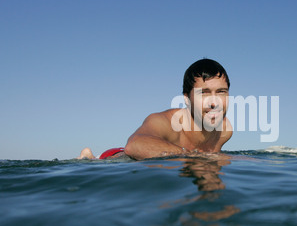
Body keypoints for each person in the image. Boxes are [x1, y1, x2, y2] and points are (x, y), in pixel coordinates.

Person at [77, 58, 233, 160]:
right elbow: (134, 146)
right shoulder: (165, 122)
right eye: (204, 93)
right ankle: (89, 158)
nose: (215, 102)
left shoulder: (224, 131)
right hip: (114, 159)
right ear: (187, 99)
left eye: (221, 92)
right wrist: (196, 156)